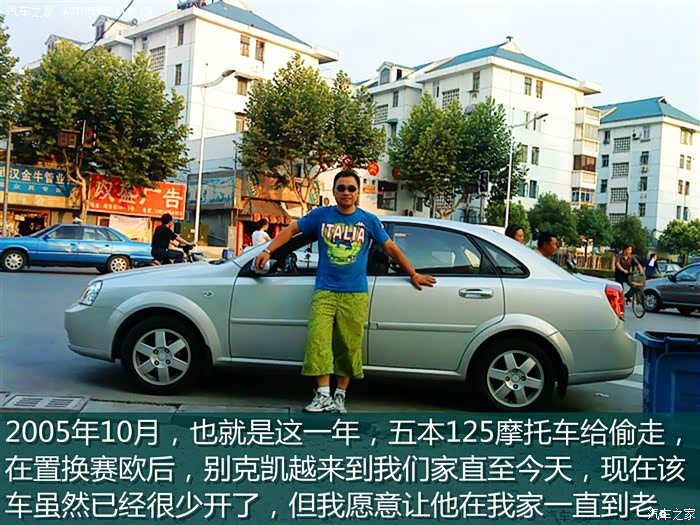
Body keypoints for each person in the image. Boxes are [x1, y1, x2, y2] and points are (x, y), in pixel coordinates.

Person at [254, 169, 437, 414]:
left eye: (351, 188)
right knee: (318, 341)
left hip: (355, 293)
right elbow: (290, 230)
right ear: (334, 191)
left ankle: (340, 395)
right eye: (341, 188)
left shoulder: (368, 220)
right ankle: (323, 395)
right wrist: (268, 251)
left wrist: (413, 273)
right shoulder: (321, 215)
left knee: (348, 346)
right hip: (325, 291)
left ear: (358, 192)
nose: (346, 193)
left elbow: (390, 248)